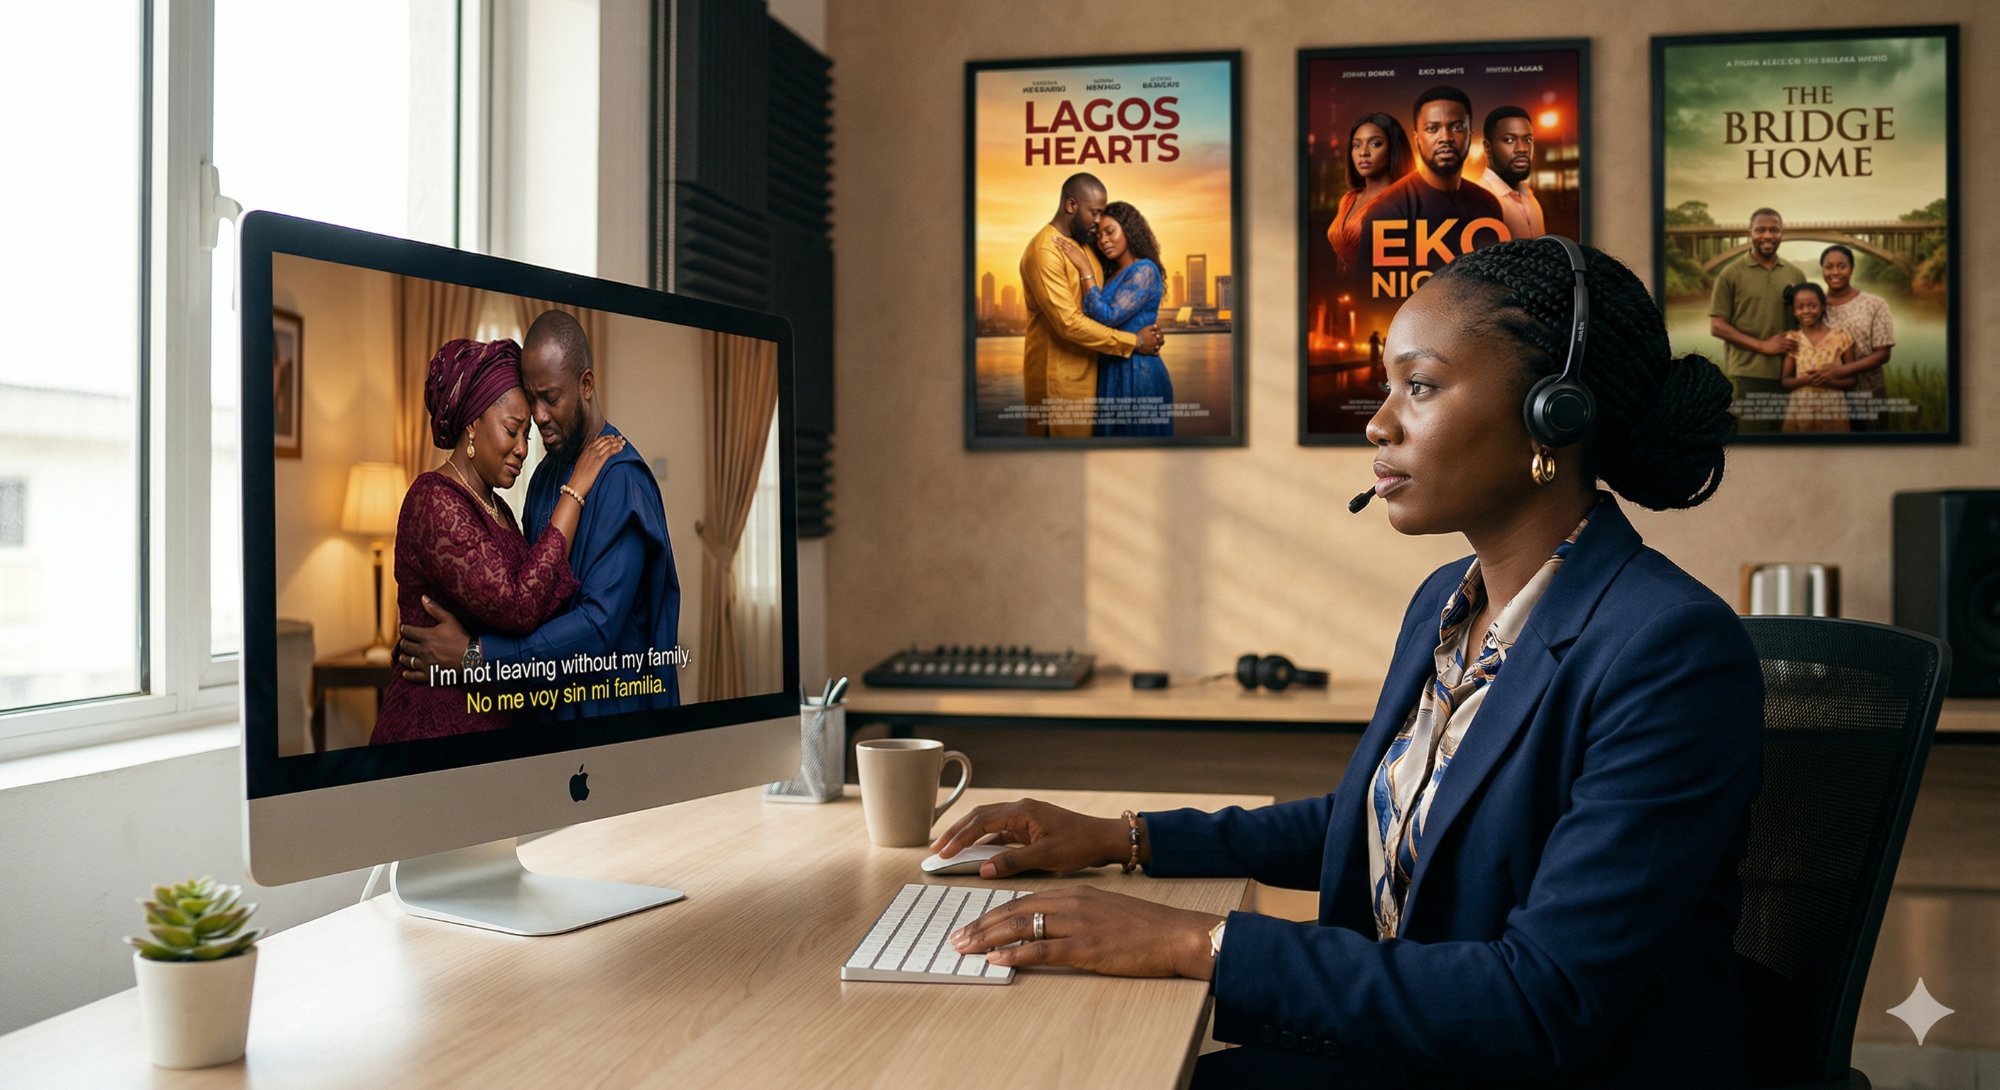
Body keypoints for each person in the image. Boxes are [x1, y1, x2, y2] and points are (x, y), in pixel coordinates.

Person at [935, 238, 1762, 1087]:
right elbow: (1377, 819)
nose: (1379, 422)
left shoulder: (1669, 652)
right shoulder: (1449, 602)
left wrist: (1193, 941)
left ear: (1555, 413)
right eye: (1387, 386)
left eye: (1422, 386)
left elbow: (1541, 1000)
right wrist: (1125, 839)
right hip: (1408, 1053)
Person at [396, 310, 684, 715]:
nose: (540, 416)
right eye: (532, 401)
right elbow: (529, 599)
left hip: (609, 718)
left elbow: (597, 627)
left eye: (550, 398)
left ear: (586, 385)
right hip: (546, 715)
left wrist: (476, 656)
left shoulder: (621, 479)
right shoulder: (545, 476)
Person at [370, 337, 627, 745]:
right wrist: (574, 489)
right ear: (472, 423)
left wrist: (469, 654)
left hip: (495, 730)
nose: (524, 449)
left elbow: (543, 605)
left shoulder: (499, 508)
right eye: (513, 429)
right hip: (433, 735)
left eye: (528, 433)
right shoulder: (432, 499)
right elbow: (519, 606)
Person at [1018, 173, 1165, 437]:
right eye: (1095, 213)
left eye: (1104, 221)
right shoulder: (1045, 251)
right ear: (1071, 205)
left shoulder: (1085, 245)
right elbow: (1069, 323)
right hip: (1061, 384)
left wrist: (1145, 318)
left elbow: (1116, 297)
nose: (1098, 225)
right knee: (1064, 468)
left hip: (1100, 378)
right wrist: (1136, 341)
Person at [1352, 86, 1508, 288]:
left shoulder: (1489, 204)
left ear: (1470, 133)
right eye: (1432, 128)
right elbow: (1370, 296)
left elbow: (1496, 286)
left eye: (1457, 127)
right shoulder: (1387, 209)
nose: (1445, 137)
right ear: (1417, 138)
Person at [1054, 201, 1172, 438]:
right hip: (1110, 371)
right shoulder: (1110, 274)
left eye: (1110, 232)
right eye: (1099, 235)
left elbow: (1108, 317)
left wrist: (1084, 268)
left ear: (1129, 230)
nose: (1103, 240)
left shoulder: (1144, 270)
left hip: (1138, 374)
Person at [1709, 207, 1808, 433]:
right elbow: (1717, 326)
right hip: (1748, 374)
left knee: (1790, 443)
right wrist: (1764, 345)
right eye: (1760, 229)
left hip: (1791, 375)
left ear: (1782, 233)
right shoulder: (1730, 274)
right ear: (1749, 233)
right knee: (1756, 439)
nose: (1767, 235)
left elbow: (1805, 322)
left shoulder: (1795, 274)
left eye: (1774, 230)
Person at [1816, 244, 1896, 430]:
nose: (1835, 272)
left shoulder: (1875, 304)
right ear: (1822, 270)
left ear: (1851, 269)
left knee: (1872, 451)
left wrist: (1841, 371)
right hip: (1828, 396)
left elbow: (1883, 354)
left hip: (1869, 393)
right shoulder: (1814, 307)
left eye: (1842, 266)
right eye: (1829, 267)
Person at [1326, 112, 1415, 274]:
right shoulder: (1348, 199)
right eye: (1356, 145)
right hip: (1340, 293)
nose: (1363, 152)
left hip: (1376, 293)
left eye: (1375, 144)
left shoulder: (1401, 202)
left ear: (1394, 149)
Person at [1779, 281, 1855, 434]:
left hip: (1832, 407)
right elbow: (1786, 381)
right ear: (1794, 311)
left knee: (1834, 452)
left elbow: (1852, 380)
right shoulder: (1793, 339)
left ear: (1822, 307)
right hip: (1802, 408)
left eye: (1812, 305)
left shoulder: (1841, 337)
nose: (1806, 311)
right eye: (1800, 307)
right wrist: (1806, 380)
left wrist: (1830, 381)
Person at [1469, 105, 1545, 240]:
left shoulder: (1532, 201)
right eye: (1509, 140)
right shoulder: (1475, 201)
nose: (1522, 149)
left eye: (1528, 140)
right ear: (1487, 148)